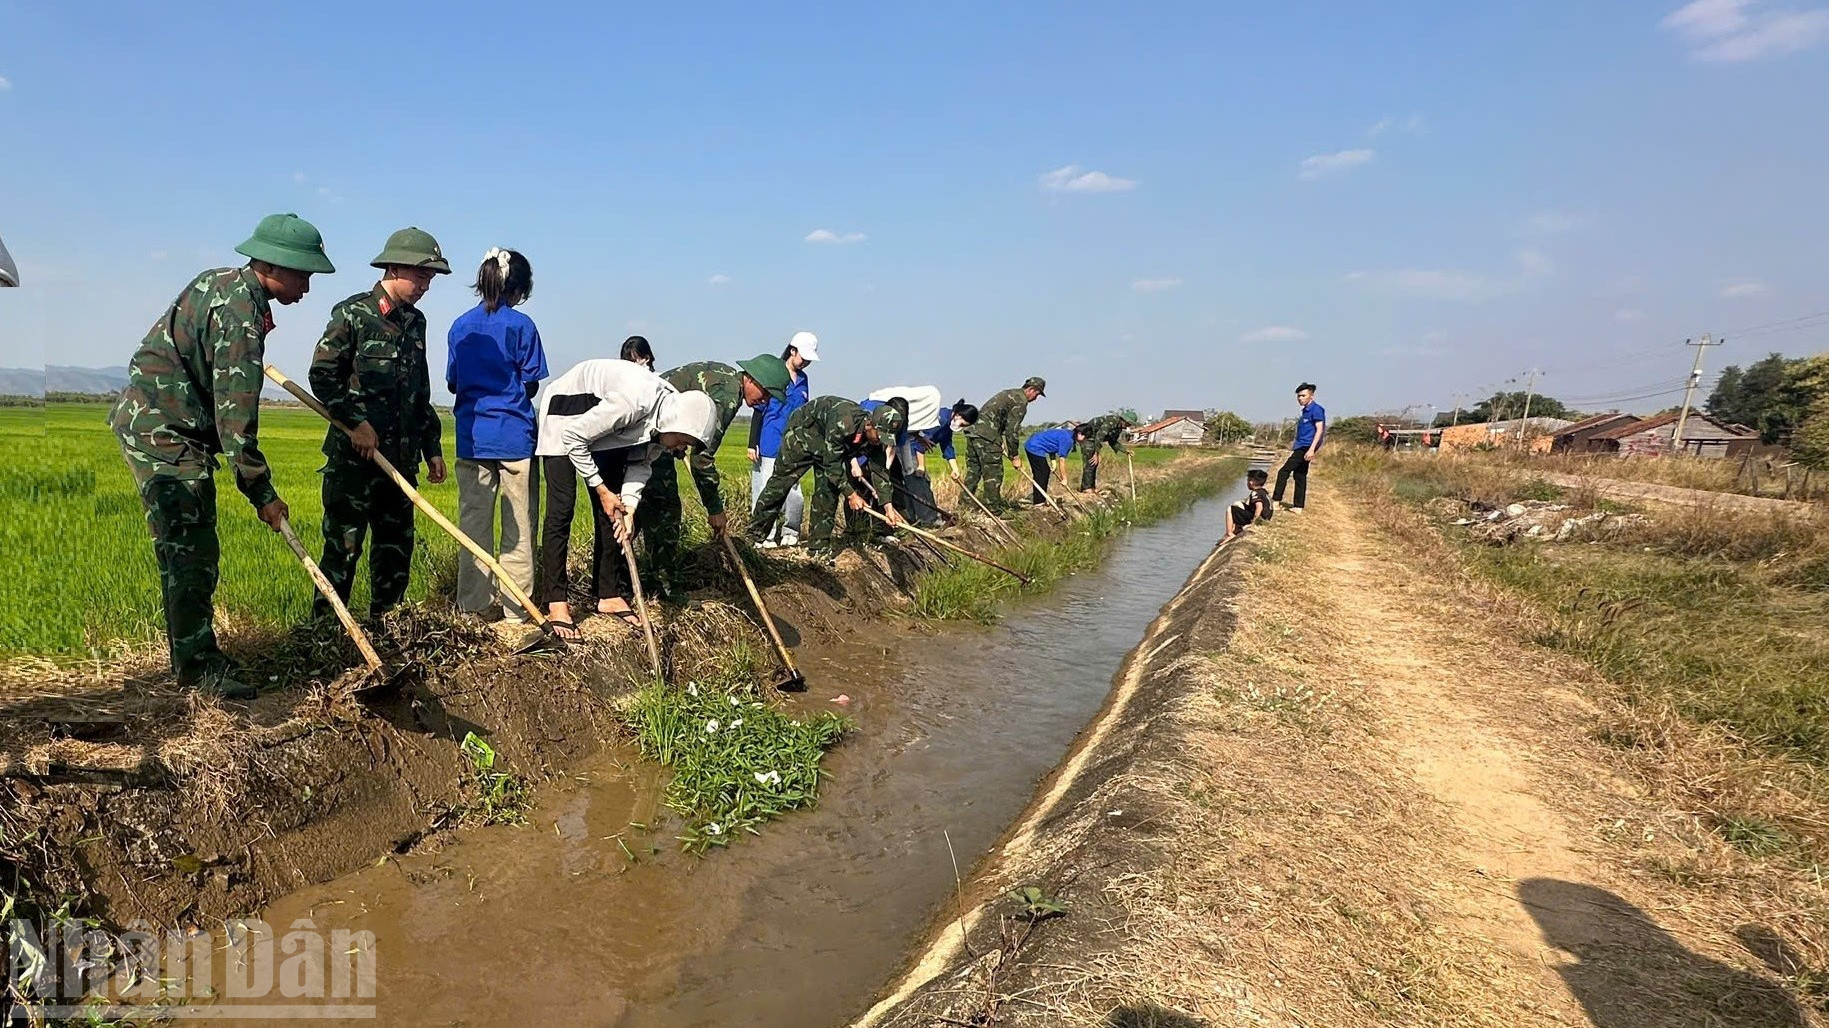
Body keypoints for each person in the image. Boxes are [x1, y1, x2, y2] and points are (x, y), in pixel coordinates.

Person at [109, 213, 336, 698]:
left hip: (163, 424)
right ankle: (197, 669)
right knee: (191, 549)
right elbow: (237, 423)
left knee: (184, 547)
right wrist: (263, 494)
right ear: (277, 264)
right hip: (163, 431)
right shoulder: (239, 317)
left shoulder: (223, 283)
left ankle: (194, 655)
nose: (308, 288)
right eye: (304, 275)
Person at [309, 227, 451, 621]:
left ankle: (386, 631)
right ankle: (324, 637)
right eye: (421, 275)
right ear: (394, 266)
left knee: (394, 553)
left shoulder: (416, 323)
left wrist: (432, 447)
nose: (426, 285)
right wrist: (355, 422)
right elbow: (322, 374)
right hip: (354, 465)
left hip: (400, 464)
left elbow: (419, 390)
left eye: (431, 278)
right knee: (343, 550)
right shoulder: (353, 313)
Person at [535, 360, 719, 638]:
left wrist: (629, 507)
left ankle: (607, 594)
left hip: (606, 432)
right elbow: (574, 437)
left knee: (615, 511)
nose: (682, 448)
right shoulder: (635, 402)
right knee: (562, 509)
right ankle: (556, 602)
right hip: (567, 412)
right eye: (684, 441)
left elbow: (641, 464)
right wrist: (601, 488)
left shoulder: (662, 428)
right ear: (676, 424)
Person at [637, 354, 792, 601]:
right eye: (765, 392)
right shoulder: (728, 396)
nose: (765, 400)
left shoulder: (726, 377)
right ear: (751, 379)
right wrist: (715, 508)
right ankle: (663, 586)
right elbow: (702, 460)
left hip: (650, 431)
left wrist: (680, 441)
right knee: (664, 509)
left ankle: (626, 581)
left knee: (638, 508)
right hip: (649, 433)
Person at [446, 247, 547, 625]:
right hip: (515, 436)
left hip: (472, 437)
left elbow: (455, 382)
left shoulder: (459, 326)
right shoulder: (522, 326)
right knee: (519, 526)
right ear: (518, 290)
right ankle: (517, 612)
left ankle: (472, 609)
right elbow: (532, 381)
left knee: (473, 526)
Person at [746, 396, 905, 560]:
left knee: (828, 492)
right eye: (879, 436)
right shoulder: (844, 421)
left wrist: (887, 507)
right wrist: (851, 494)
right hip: (802, 436)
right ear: (870, 424)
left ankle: (818, 548)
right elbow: (833, 465)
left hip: (828, 447)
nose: (880, 441)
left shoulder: (876, 440)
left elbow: (880, 473)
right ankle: (753, 537)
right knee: (779, 486)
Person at [747, 331, 817, 547]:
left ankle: (791, 532)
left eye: (808, 360)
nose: (805, 363)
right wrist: (752, 443)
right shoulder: (774, 373)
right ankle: (764, 535)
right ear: (792, 351)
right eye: (803, 357)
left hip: (793, 444)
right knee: (765, 489)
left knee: (794, 490)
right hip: (768, 441)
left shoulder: (803, 380)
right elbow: (758, 410)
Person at [964, 376, 1045, 512]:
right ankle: (993, 508)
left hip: (973, 432)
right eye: (1037, 394)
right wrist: (1015, 456)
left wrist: (998, 440)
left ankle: (965, 504)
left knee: (974, 471)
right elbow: (1012, 431)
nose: (1036, 399)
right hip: (988, 435)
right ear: (1031, 390)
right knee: (993, 472)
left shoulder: (1009, 393)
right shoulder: (1020, 402)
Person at [906, 399, 978, 526]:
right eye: (962, 424)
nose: (961, 428)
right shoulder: (941, 419)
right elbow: (920, 442)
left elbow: (947, 446)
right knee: (919, 482)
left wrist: (954, 469)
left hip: (915, 449)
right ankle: (928, 520)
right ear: (958, 415)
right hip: (908, 448)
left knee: (920, 482)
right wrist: (921, 466)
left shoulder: (948, 424)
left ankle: (919, 517)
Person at [1272, 382, 1326, 513]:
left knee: (1283, 472)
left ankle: (1276, 501)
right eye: (1298, 396)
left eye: (1303, 396)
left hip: (1306, 447)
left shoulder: (1316, 410)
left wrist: (1312, 449)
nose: (1300, 399)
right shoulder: (1305, 412)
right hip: (1301, 446)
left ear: (1311, 396)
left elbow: (1320, 430)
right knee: (1300, 475)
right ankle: (1298, 506)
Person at [1024, 425, 1082, 505]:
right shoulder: (1068, 440)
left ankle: (1040, 499)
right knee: (1042, 473)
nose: (1085, 440)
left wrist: (1053, 460)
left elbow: (1052, 444)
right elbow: (1061, 461)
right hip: (1034, 447)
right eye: (1085, 437)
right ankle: (1039, 501)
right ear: (1080, 434)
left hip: (1034, 444)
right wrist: (1064, 479)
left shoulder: (1069, 434)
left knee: (1041, 473)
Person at [1075, 412, 1132, 492]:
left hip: (1094, 440)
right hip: (1088, 437)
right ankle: (1086, 488)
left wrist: (1125, 450)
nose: (1128, 426)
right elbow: (1099, 436)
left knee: (1095, 463)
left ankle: (1091, 487)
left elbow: (1112, 441)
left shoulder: (1118, 428)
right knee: (1091, 461)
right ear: (1124, 420)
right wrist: (1096, 453)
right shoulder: (1112, 421)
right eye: (1128, 423)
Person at [1223, 469, 1272, 543]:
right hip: (1266, 518)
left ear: (1251, 482)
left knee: (1230, 509)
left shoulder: (1255, 493)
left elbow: (1259, 507)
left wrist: (1254, 522)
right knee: (1237, 504)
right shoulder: (1263, 491)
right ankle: (1235, 529)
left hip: (1261, 519)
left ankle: (1229, 533)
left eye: (1248, 480)